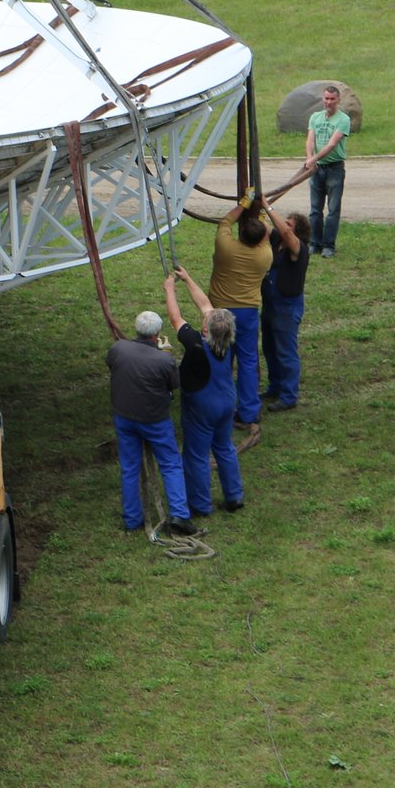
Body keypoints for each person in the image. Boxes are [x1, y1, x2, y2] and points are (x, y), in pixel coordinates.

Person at [104, 311, 195, 536]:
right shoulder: (164, 360)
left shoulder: (118, 349)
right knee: (170, 464)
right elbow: (173, 385)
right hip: (155, 421)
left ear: (137, 329)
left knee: (130, 468)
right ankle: (179, 515)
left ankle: (132, 519)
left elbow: (112, 366)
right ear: (157, 333)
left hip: (124, 417)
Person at [165, 269, 245, 516]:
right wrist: (187, 278)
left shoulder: (196, 344)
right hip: (226, 401)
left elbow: (175, 318)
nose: (205, 316)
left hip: (202, 406)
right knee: (225, 447)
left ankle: (200, 505)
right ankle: (234, 496)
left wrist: (169, 289)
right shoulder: (227, 341)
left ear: (207, 330)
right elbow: (206, 306)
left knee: (196, 455)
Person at [209, 195, 274, 439]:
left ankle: (220, 408)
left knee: (220, 359)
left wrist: (243, 203)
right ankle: (248, 412)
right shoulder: (264, 256)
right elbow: (265, 236)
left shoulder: (224, 246)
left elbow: (225, 222)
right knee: (247, 361)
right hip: (247, 312)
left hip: (219, 311)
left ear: (241, 234)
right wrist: (263, 213)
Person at [260, 211, 311, 412]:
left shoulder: (299, 248)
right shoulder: (276, 240)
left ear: (297, 232)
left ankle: (289, 396)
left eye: (289, 224)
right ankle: (275, 387)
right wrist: (254, 205)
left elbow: (286, 233)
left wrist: (267, 206)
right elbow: (263, 226)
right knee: (270, 348)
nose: (284, 226)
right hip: (270, 305)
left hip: (287, 308)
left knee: (285, 352)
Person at [305, 84, 351, 258]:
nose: (329, 102)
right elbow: (310, 140)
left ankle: (328, 246)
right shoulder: (315, 117)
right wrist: (310, 158)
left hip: (334, 168)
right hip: (317, 169)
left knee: (333, 209)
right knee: (315, 209)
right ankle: (314, 243)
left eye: (332, 99)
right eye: (326, 98)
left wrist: (313, 159)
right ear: (322, 99)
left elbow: (332, 144)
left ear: (338, 100)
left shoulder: (343, 120)